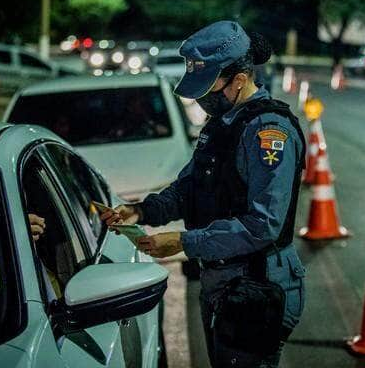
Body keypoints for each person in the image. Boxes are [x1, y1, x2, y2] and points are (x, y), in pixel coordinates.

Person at [103, 21, 306, 367]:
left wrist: (184, 242)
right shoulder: (223, 122)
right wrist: (141, 212)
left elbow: (263, 225)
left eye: (209, 87)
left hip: (257, 284)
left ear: (239, 79)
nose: (202, 98)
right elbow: (190, 186)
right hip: (222, 280)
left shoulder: (268, 133)